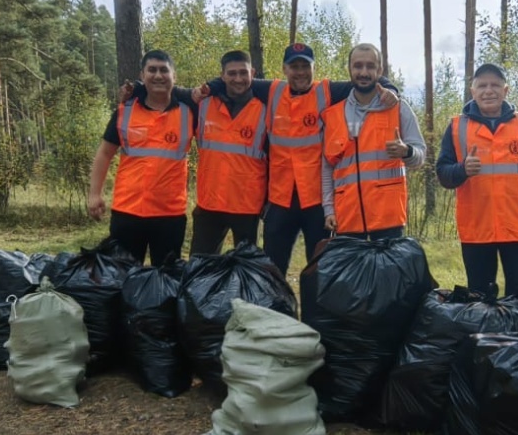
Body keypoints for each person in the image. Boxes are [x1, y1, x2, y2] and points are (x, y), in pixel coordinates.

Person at [201, 43, 398, 276]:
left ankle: (317, 313)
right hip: (280, 200)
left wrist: (389, 87)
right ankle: (276, 310)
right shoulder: (272, 91)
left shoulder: (327, 92)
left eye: (306, 66)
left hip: (315, 200)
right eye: (294, 66)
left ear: (314, 68)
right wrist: (210, 86)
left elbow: (364, 81)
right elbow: (236, 80)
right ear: (285, 69)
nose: (300, 72)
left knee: (320, 268)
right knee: (272, 268)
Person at [436, 63, 518, 297]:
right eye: (482, 85)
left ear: (506, 90)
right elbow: (443, 173)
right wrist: (462, 169)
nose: (488, 91)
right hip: (476, 228)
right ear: (473, 91)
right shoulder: (456, 126)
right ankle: (483, 334)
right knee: (479, 298)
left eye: (495, 85)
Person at [88, 49, 195, 265]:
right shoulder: (124, 111)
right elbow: (104, 153)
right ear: (142, 75)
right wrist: (94, 194)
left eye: (164, 70)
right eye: (152, 70)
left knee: (166, 281)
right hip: (127, 211)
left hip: (169, 214)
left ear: (174, 76)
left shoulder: (189, 112)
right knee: (122, 277)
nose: (158, 76)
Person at [321, 43, 425, 240]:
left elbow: (420, 156)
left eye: (370, 66)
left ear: (380, 70)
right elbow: (327, 167)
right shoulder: (334, 114)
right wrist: (329, 209)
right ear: (349, 69)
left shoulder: (399, 109)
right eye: (358, 66)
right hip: (347, 219)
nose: (364, 72)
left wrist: (407, 152)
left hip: (388, 221)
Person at [189, 50, 268, 256]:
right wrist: (138, 90)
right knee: (201, 268)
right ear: (222, 75)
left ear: (253, 72)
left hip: (247, 206)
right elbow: (168, 95)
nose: (238, 79)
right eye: (232, 74)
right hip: (209, 204)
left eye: (243, 73)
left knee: (245, 270)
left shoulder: (265, 110)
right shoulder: (203, 105)